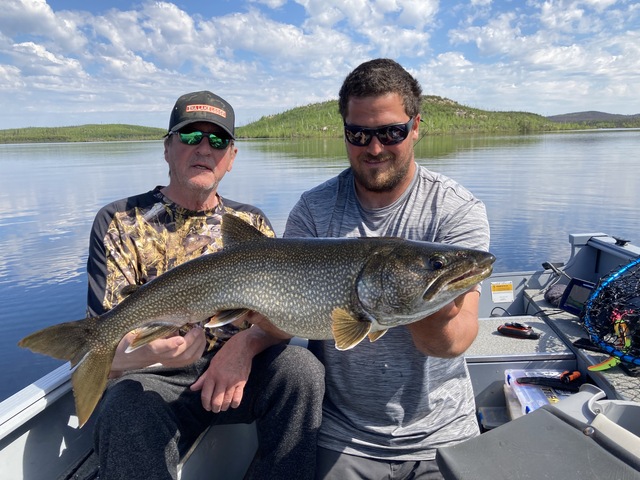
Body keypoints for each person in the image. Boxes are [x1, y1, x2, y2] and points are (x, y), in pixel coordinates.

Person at [87, 90, 324, 480]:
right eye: (190, 136)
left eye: (217, 140)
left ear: (231, 158)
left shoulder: (251, 225)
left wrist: (244, 347)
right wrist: (153, 355)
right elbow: (103, 349)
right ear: (167, 148)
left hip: (240, 374)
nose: (204, 149)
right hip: (154, 380)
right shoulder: (119, 221)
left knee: (302, 371)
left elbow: (281, 320)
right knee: (124, 408)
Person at [284, 59, 490, 479]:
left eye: (390, 132)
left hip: (443, 432)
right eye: (358, 134)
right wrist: (240, 343)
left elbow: (453, 341)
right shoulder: (312, 211)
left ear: (416, 127)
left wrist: (418, 293)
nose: (374, 148)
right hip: (344, 435)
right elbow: (281, 316)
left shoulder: (455, 211)